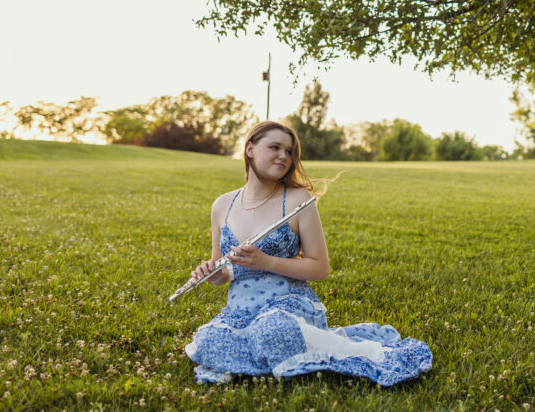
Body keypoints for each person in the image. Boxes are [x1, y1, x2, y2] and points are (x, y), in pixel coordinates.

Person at [184, 120, 432, 385]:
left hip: (289, 305)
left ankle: (264, 351)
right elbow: (223, 271)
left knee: (272, 331)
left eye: (290, 151)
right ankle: (267, 352)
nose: (284, 156)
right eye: (275, 147)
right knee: (208, 341)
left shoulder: (298, 200)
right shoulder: (222, 204)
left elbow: (319, 268)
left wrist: (266, 261)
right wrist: (212, 273)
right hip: (241, 309)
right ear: (250, 150)